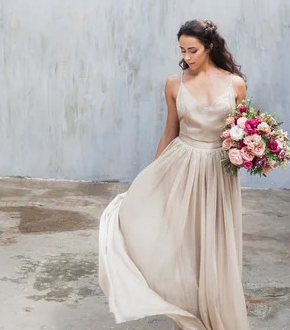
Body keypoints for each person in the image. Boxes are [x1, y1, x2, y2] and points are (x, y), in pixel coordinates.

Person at [99, 19, 251, 330]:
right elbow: (169, 133)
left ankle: (214, 312)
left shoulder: (235, 84)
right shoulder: (174, 84)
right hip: (182, 166)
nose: (187, 56)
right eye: (182, 50)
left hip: (219, 172)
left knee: (215, 244)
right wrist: (151, 178)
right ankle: (186, 318)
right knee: (182, 245)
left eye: (193, 50)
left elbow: (241, 132)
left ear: (209, 47)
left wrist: (255, 151)